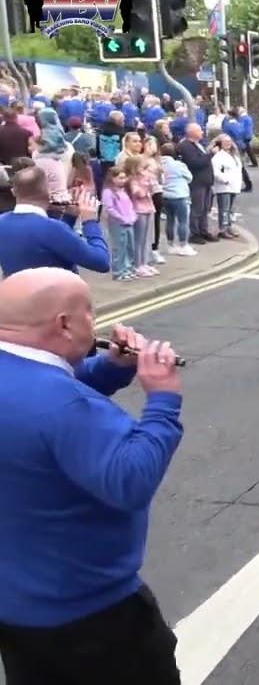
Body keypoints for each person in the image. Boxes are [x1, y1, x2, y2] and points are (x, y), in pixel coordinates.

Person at [0, 267, 183, 684]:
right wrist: (163, 401)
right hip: (91, 612)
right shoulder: (66, 405)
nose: (95, 321)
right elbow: (130, 481)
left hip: (14, 605)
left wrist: (108, 369)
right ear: (64, 323)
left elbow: (36, 403)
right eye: (89, 311)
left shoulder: (29, 382)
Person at [0, 166, 108, 275]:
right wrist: (90, 222)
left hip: (15, 290)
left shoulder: (2, 222)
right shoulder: (53, 229)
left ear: (13, 192)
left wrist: (70, 217)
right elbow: (101, 261)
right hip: (58, 290)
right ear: (48, 190)